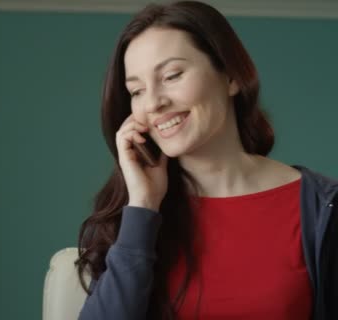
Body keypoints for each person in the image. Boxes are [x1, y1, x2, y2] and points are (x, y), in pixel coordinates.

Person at [75, 1, 338, 319]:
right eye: (136, 90)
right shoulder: (134, 217)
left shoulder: (322, 207)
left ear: (231, 76)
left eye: (172, 75)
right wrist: (143, 206)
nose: (155, 102)